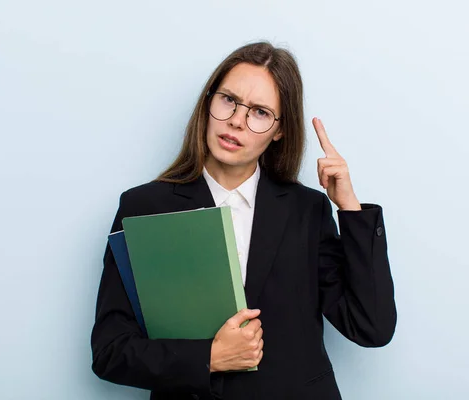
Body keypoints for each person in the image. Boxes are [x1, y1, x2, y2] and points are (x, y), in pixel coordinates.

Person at [90, 41, 397, 400]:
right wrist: (209, 358)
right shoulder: (143, 206)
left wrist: (350, 210)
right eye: (229, 100)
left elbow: (371, 327)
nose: (237, 120)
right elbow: (110, 351)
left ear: (280, 130)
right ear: (209, 101)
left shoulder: (307, 210)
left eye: (261, 112)